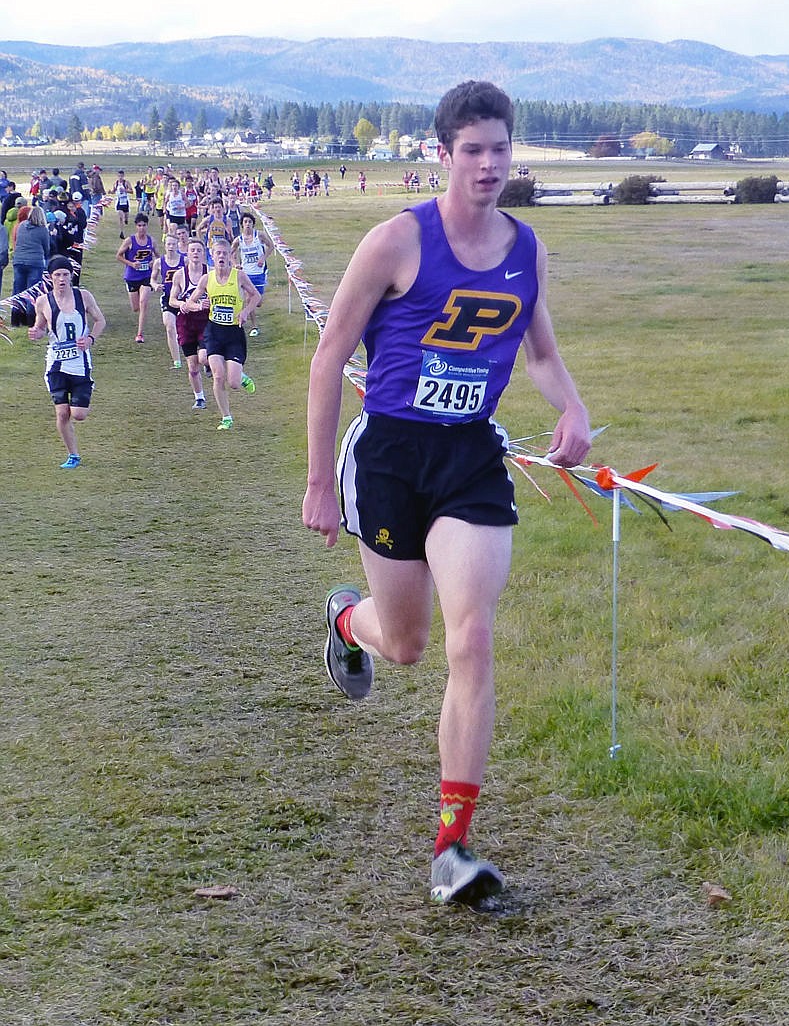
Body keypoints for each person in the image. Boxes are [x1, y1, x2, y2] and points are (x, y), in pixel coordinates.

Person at [301, 81, 591, 907]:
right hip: (389, 456)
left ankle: (452, 847)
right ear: (443, 154)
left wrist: (572, 406)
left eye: (501, 148)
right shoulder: (397, 241)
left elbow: (537, 353)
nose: (490, 164)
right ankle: (344, 619)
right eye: (473, 150)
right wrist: (321, 480)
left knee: (473, 640)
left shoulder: (525, 249)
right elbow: (329, 358)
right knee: (407, 644)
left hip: (469, 460)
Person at [27, 254, 106, 469]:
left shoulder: (84, 297)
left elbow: (100, 320)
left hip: (80, 362)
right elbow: (41, 327)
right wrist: (36, 332)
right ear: (50, 278)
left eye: (65, 274)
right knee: (62, 412)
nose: (62, 279)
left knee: (79, 415)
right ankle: (73, 455)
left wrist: (90, 339)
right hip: (56, 364)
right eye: (57, 275)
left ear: (71, 276)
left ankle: (86, 388)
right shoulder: (43, 301)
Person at [186, 237, 260, 430]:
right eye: (218, 253)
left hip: (234, 333)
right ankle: (226, 417)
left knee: (233, 383)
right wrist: (198, 305)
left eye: (225, 254)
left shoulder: (239, 276)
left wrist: (245, 311)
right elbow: (188, 304)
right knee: (218, 376)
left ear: (230, 256)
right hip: (214, 332)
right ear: (212, 255)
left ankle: (241, 377)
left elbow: (256, 295)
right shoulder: (207, 279)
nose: (221, 257)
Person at [169, 236, 210, 410]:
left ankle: (209, 364)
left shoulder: (210, 273)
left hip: (206, 320)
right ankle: (199, 397)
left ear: (204, 254)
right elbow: (171, 300)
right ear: (187, 252)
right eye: (192, 250)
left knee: (203, 357)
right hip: (186, 322)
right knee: (193, 366)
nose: (195, 253)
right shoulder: (180, 275)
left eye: (199, 250)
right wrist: (182, 304)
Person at [231, 211, 273, 336]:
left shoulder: (259, 235)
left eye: (250, 222)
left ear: (253, 224)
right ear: (242, 225)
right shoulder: (239, 240)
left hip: (259, 272)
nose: (247, 224)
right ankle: (254, 326)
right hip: (246, 273)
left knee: (258, 302)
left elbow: (271, 246)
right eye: (245, 222)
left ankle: (249, 317)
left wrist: (263, 258)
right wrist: (235, 264)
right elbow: (231, 253)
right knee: (249, 299)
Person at [116, 212, 156, 342]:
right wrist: (131, 264)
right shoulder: (130, 240)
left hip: (146, 276)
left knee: (143, 302)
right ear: (136, 226)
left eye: (144, 225)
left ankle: (139, 334)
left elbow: (159, 257)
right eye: (139, 225)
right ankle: (140, 317)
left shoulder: (151, 241)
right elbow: (118, 256)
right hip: (132, 276)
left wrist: (153, 262)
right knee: (136, 308)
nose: (142, 228)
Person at [151, 231, 185, 368]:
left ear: (178, 245)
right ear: (165, 245)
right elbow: (152, 279)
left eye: (173, 244)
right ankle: (177, 361)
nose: (171, 247)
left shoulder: (185, 261)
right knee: (170, 326)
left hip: (183, 299)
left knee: (186, 328)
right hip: (167, 298)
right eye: (168, 244)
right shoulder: (159, 262)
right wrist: (155, 285)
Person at [12, 203, 50, 299]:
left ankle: (16, 311)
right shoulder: (43, 230)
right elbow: (46, 248)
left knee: (18, 290)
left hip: (19, 260)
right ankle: (30, 312)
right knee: (32, 291)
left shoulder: (21, 226)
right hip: (35, 262)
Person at [111, 170, 133, 239]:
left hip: (125, 202)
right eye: (119, 176)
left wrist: (125, 190)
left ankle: (126, 219)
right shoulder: (116, 183)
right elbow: (113, 191)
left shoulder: (126, 183)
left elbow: (132, 191)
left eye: (121, 176)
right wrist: (110, 192)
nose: (120, 177)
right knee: (121, 217)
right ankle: (122, 232)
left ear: (123, 176)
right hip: (119, 202)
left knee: (125, 217)